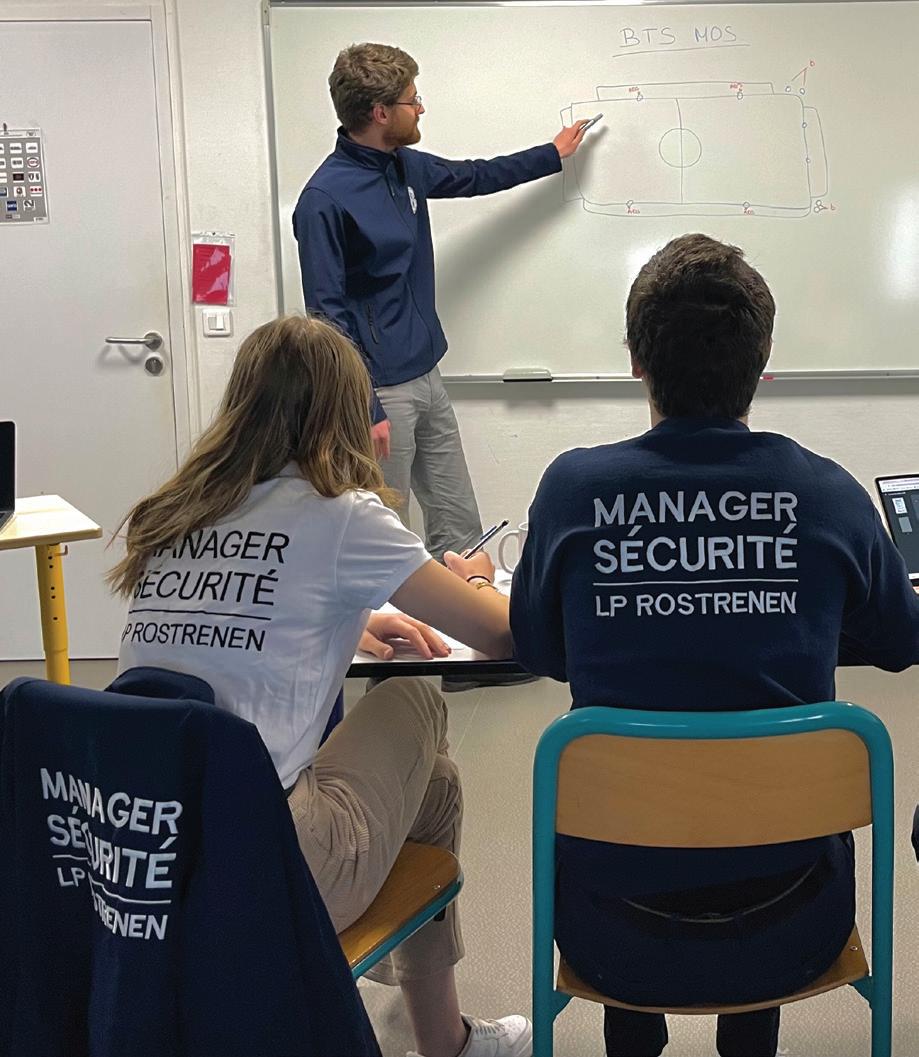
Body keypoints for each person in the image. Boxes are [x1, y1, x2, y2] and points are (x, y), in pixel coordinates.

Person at [452, 234, 919, 1057]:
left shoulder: (573, 488)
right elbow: (898, 639)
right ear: (761, 362)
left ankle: (634, 1037)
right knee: (762, 827)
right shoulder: (826, 492)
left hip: (609, 932)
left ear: (637, 360)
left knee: (634, 835)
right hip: (794, 927)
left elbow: (542, 651)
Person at [109, 313, 528, 1057]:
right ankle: (389, 1019)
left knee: (434, 788)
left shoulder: (174, 514)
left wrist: (351, 620)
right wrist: (474, 577)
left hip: (148, 852)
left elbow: (241, 620)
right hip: (267, 867)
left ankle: (447, 1039)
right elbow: (501, 635)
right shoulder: (340, 516)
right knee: (414, 693)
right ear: (344, 411)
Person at [293, 42, 589, 561]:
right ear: (380, 113)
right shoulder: (324, 200)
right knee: (383, 534)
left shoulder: (402, 166)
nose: (421, 107)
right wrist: (365, 407)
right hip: (380, 392)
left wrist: (551, 154)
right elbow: (326, 318)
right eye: (413, 100)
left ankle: (469, 603)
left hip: (427, 375)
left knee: (459, 523)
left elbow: (474, 175)